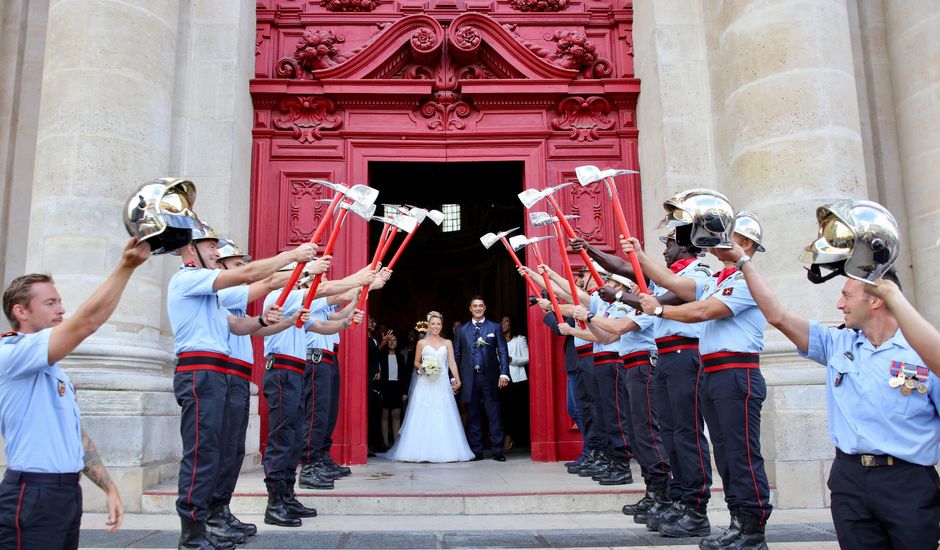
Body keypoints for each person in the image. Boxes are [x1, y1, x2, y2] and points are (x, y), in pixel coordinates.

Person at [718, 199, 940, 550]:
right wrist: (744, 262)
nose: (839, 304)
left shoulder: (924, 353)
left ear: (877, 300)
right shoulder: (838, 343)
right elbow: (777, 316)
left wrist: (894, 293)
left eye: (846, 294)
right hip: (850, 480)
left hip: (908, 482)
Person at [167, 219, 316, 548]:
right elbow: (250, 278)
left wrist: (263, 319)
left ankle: (217, 513)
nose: (216, 251)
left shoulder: (212, 296)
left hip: (217, 373)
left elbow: (235, 323)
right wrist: (294, 258)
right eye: (210, 247)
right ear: (190, 250)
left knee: (228, 449)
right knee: (203, 452)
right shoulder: (187, 279)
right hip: (199, 372)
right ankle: (192, 534)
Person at [634, 202, 772, 548]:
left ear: (749, 246)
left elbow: (703, 311)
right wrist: (638, 254)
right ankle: (738, 523)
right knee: (725, 452)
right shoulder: (715, 278)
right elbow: (673, 283)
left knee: (739, 452)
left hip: (736, 371)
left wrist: (661, 309)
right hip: (714, 372)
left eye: (732, 237)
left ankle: (753, 528)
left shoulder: (745, 280)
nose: (721, 241)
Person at [0, 237, 149, 549]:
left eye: (60, 301)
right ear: (21, 311)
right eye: (50, 303)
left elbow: (75, 436)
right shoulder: (11, 352)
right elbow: (88, 323)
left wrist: (109, 488)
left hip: (65, 493)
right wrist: (127, 266)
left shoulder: (54, 369)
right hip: (32, 494)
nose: (61, 308)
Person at [573, 231, 713, 528]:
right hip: (664, 357)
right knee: (668, 434)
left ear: (687, 246)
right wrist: (590, 248)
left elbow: (666, 297)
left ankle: (694, 506)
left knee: (682, 433)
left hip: (682, 355)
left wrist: (624, 295)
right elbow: (625, 268)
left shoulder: (697, 272)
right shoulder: (665, 276)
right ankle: (673, 498)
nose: (665, 251)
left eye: (671, 244)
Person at [384, 311, 474, 462]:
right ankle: (418, 450)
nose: (435, 326)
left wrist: (457, 379)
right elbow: (416, 362)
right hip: (425, 382)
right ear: (428, 325)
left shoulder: (447, 343)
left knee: (443, 414)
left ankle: (446, 450)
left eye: (438, 324)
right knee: (423, 414)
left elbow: (451, 362)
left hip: (442, 382)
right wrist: (424, 367)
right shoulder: (421, 343)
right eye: (433, 324)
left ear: (442, 325)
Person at [453, 296, 511, 461]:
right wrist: (454, 378)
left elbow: (502, 351)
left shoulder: (495, 327)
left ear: (485, 308)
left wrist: (504, 373)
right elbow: (456, 356)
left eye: (481, 306)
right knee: (473, 414)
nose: (478, 308)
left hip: (490, 378)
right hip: (469, 379)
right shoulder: (461, 330)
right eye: (475, 306)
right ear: (470, 309)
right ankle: (476, 450)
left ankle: (497, 450)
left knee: (494, 413)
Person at [500, 315, 529, 452]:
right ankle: (504, 437)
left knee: (514, 411)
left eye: (506, 321)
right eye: (502, 321)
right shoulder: (498, 340)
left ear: (511, 324)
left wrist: (511, 359)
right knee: (503, 411)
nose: (503, 324)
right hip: (501, 380)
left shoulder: (520, 339)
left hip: (517, 380)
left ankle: (511, 438)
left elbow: (528, 358)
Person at [379, 331, 411, 449]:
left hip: (397, 388)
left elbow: (404, 376)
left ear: (397, 342)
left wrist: (404, 392)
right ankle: (386, 443)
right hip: (385, 387)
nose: (392, 342)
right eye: (390, 340)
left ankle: (396, 444)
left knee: (396, 415)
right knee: (385, 415)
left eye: (394, 340)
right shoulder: (382, 356)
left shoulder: (401, 357)